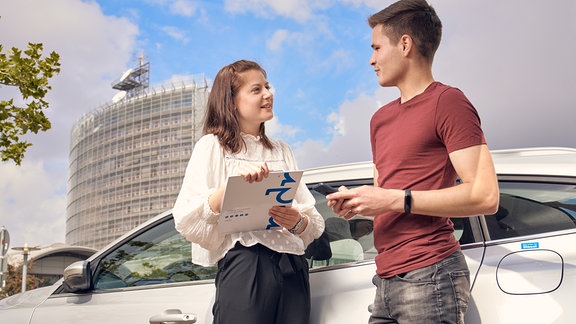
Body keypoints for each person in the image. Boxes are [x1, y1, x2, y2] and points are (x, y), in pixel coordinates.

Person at [326, 1, 500, 323]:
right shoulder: (379, 119)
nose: (371, 59)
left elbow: (486, 196)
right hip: (386, 277)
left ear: (405, 44)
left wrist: (393, 198)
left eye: (377, 48)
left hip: (430, 273)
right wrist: (361, 202)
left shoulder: (448, 102)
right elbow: (385, 195)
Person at [172, 59, 324, 324]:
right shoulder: (212, 147)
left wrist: (297, 222)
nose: (268, 94)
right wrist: (230, 188)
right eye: (256, 90)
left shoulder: (282, 150)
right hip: (246, 265)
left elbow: (312, 222)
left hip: (293, 268)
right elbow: (186, 219)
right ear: (231, 101)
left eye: (267, 86)